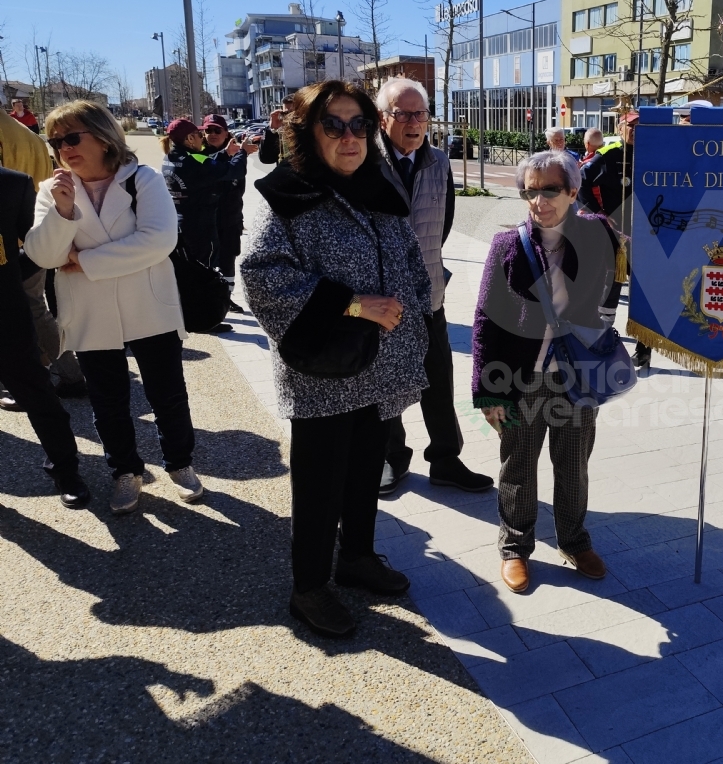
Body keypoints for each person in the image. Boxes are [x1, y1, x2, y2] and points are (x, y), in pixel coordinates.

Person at [240, 80, 432, 638]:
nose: (349, 137)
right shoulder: (282, 192)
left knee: (365, 470)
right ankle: (309, 587)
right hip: (325, 367)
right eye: (334, 125)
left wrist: (421, 298)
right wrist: (351, 304)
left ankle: (357, 557)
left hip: (383, 364)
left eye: (358, 125)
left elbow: (408, 258)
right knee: (320, 484)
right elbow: (260, 274)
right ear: (308, 132)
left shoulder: (379, 186)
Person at [25, 100, 206, 515]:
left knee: (168, 395)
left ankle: (180, 464)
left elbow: (159, 240)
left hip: (150, 306)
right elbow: (45, 254)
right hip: (90, 314)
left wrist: (84, 261)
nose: (63, 148)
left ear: (103, 137)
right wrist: (64, 213)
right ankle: (125, 471)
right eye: (55, 141)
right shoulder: (52, 191)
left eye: (72, 137)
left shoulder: (141, 180)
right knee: (108, 402)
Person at [473, 150, 621, 594]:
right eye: (530, 191)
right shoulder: (507, 245)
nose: (539, 200)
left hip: (578, 376)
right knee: (518, 464)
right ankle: (515, 546)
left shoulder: (598, 234)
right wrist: (487, 392)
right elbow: (484, 318)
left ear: (573, 192)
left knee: (573, 464)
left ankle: (574, 541)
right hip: (521, 376)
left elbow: (626, 272)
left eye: (550, 190)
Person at [374, 76, 492, 495]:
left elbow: (441, 225)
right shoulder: (363, 160)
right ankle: (391, 458)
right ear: (382, 117)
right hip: (381, 299)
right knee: (385, 380)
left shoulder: (439, 161)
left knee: (438, 378)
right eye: (402, 114)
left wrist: (427, 267)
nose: (413, 122)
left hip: (429, 294)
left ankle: (446, 459)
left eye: (420, 114)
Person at [0, 163, 90, 508]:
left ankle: (67, 471)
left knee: (39, 396)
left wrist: (8, 277)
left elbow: (38, 249)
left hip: (5, 315)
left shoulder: (11, 184)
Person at [0, 95, 86, 403]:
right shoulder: (29, 137)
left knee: (26, 313)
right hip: (35, 233)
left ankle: (42, 377)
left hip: (9, 246)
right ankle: (66, 371)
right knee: (36, 310)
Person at [579, 112, 651, 368]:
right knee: (610, 290)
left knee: (643, 295)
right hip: (615, 237)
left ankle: (644, 349)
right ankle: (603, 340)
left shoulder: (656, 153)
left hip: (645, 236)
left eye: (639, 127)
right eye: (630, 126)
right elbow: (581, 182)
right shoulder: (609, 155)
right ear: (621, 128)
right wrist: (598, 215)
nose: (635, 131)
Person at [161, 118, 234, 271]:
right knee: (206, 270)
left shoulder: (168, 158)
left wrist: (225, 153)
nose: (203, 137)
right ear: (189, 138)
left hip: (180, 222)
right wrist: (243, 153)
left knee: (188, 271)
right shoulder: (193, 159)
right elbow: (227, 170)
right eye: (201, 134)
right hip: (200, 226)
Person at [202, 114, 256, 296]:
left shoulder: (236, 155)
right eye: (208, 130)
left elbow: (239, 186)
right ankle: (214, 300)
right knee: (209, 262)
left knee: (228, 260)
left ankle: (226, 297)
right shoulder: (201, 156)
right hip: (209, 221)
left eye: (217, 130)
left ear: (226, 133)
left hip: (230, 218)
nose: (213, 134)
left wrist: (238, 217)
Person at [258, 94, 295, 169]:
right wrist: (272, 130)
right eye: (285, 113)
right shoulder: (282, 134)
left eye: (293, 113)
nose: (289, 117)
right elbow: (266, 159)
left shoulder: (314, 132)